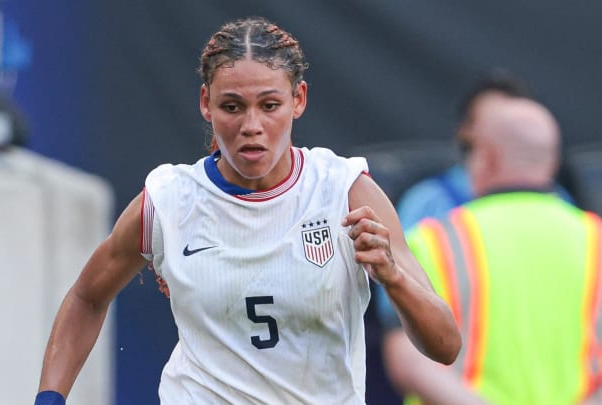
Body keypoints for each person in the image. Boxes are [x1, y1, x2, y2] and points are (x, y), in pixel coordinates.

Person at [34, 16, 460, 405]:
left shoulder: (345, 191)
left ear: (299, 100)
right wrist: (49, 399)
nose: (251, 126)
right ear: (206, 104)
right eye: (232, 106)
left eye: (269, 105)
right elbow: (87, 298)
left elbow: (445, 347)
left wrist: (392, 276)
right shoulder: (167, 201)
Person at [381, 96, 602, 404]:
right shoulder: (595, 240)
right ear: (550, 161)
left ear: (487, 157)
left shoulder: (431, 241)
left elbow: (409, 361)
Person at [394, 73, 574, 230]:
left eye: (511, 121)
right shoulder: (428, 201)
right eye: (490, 121)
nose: (504, 127)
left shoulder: (560, 200)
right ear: (466, 131)